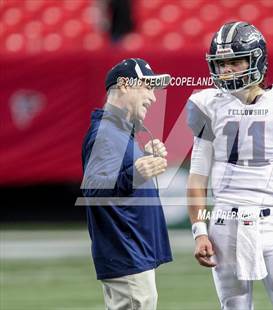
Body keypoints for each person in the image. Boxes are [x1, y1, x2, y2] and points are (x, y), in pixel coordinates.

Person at [187, 22, 273, 310]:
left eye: (235, 61)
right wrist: (200, 231)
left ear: (256, 59)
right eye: (221, 64)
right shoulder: (207, 104)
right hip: (224, 225)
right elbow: (197, 178)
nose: (227, 70)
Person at [81, 58, 172, 310]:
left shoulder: (118, 130)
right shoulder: (107, 131)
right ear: (124, 85)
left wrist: (143, 159)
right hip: (127, 253)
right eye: (147, 87)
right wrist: (137, 173)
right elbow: (94, 191)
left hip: (132, 253)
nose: (153, 97)